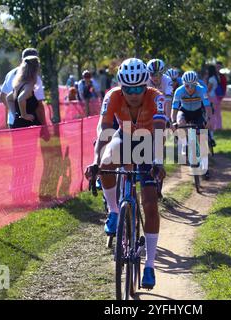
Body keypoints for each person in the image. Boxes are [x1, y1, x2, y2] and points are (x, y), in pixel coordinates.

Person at [85, 58, 167, 290]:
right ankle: (113, 211)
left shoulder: (156, 97)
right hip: (124, 135)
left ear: (146, 85)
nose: (133, 93)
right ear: (121, 86)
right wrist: (95, 161)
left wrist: (158, 162)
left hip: (150, 141)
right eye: (128, 89)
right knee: (106, 161)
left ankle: (149, 265)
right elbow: (103, 130)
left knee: (150, 204)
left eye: (138, 88)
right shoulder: (112, 96)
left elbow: (160, 131)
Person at [171, 71, 211, 179]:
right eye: (187, 85)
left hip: (198, 112)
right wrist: (173, 121)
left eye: (193, 85)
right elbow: (174, 109)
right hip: (184, 111)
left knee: (201, 138)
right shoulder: (179, 91)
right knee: (180, 122)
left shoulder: (201, 90)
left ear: (196, 84)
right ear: (183, 84)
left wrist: (208, 119)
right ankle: (184, 145)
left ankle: (205, 166)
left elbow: (207, 107)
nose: (190, 88)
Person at [0, 48, 46, 128]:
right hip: (29, 122)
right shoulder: (34, 79)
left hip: (13, 121)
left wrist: (15, 113)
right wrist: (24, 114)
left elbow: (4, 96)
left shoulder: (11, 74)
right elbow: (39, 106)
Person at [147, 59, 173, 123]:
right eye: (152, 74)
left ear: (162, 73)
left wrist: (167, 119)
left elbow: (168, 101)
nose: (155, 77)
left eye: (158, 74)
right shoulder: (145, 80)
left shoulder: (167, 80)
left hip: (162, 107)